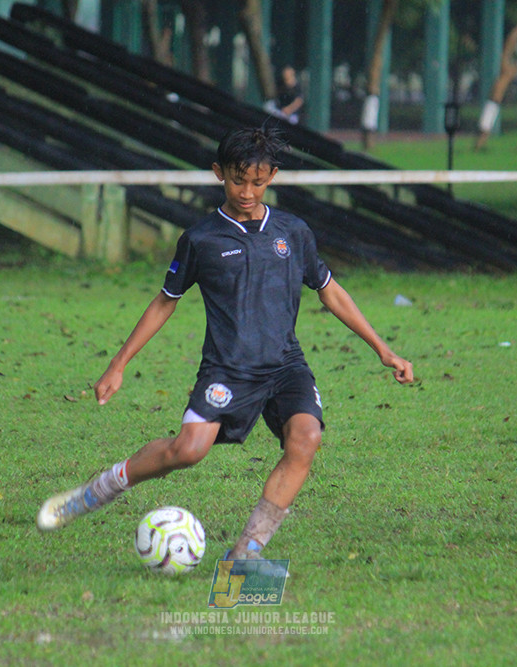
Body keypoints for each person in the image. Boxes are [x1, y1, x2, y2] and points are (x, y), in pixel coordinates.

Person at [36, 127, 413, 563]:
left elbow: (330, 289)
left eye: (257, 180)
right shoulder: (201, 239)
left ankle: (247, 552)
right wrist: (118, 364)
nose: (247, 191)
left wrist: (382, 349)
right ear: (218, 173)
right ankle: (98, 490)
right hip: (228, 368)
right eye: (237, 180)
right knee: (187, 451)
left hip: (285, 364)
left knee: (305, 439)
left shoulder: (293, 232)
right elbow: (164, 302)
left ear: (272, 175)